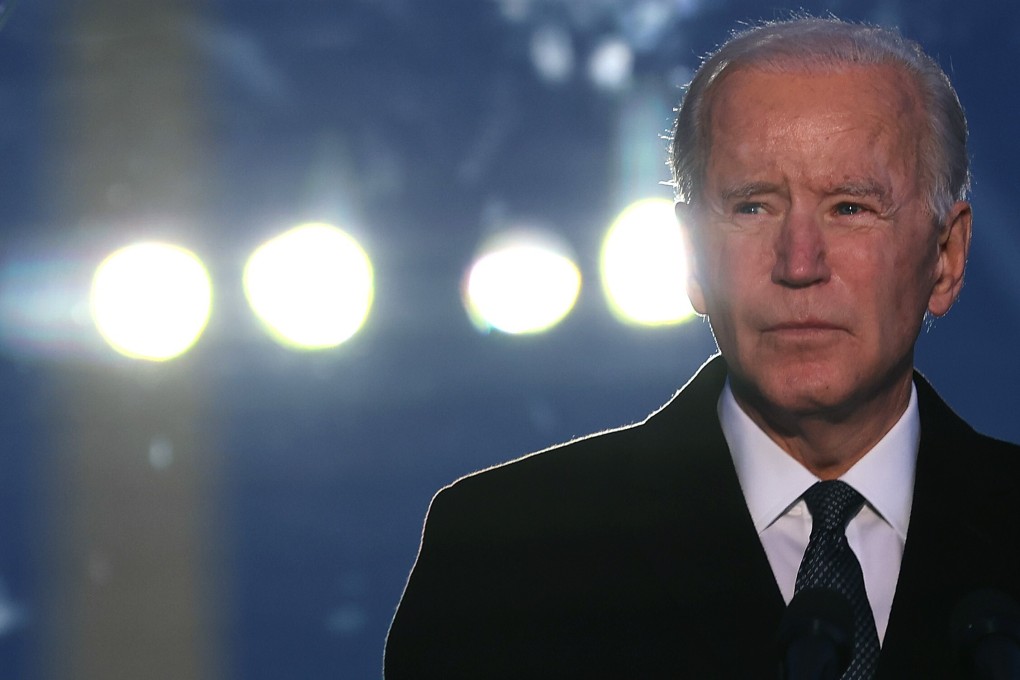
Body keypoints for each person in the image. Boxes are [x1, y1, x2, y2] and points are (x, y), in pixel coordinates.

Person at [385, 16, 1020, 679]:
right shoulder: (499, 558)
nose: (799, 262)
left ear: (946, 256)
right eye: (753, 207)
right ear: (691, 258)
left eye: (850, 208)